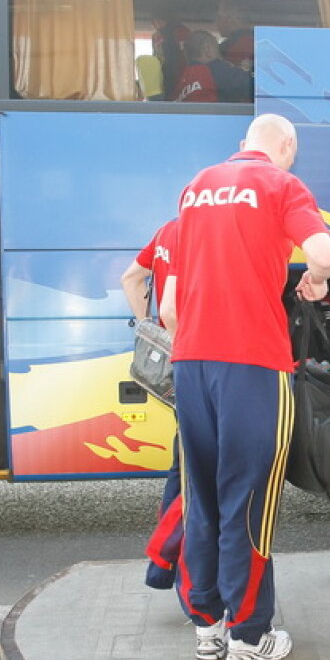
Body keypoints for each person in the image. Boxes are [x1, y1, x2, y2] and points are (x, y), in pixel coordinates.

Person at [160, 114, 330, 660]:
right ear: (285, 146)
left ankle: (208, 626)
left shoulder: (197, 187)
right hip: (252, 363)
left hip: (190, 360)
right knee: (250, 499)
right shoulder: (282, 185)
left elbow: (169, 305)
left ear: (243, 145)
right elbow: (325, 253)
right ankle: (250, 635)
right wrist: (317, 278)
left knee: (202, 497)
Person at [121, 219, 185, 589]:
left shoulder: (167, 231)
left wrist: (148, 328)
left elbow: (132, 278)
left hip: (177, 366)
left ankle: (165, 564)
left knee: (183, 465)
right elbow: (175, 310)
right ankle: (165, 561)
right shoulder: (199, 231)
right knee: (194, 470)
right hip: (197, 364)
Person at [174, 30, 252, 103]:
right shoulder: (216, 69)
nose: (220, 56)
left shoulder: (182, 80)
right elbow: (252, 86)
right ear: (207, 50)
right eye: (217, 49)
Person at [150, 6, 189, 100]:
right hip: (165, 81)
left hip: (180, 80)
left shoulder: (182, 33)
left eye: (157, 21)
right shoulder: (157, 36)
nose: (156, 25)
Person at [216, 0, 254, 72]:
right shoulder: (259, 40)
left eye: (219, 18)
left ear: (230, 20)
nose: (217, 23)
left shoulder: (224, 49)